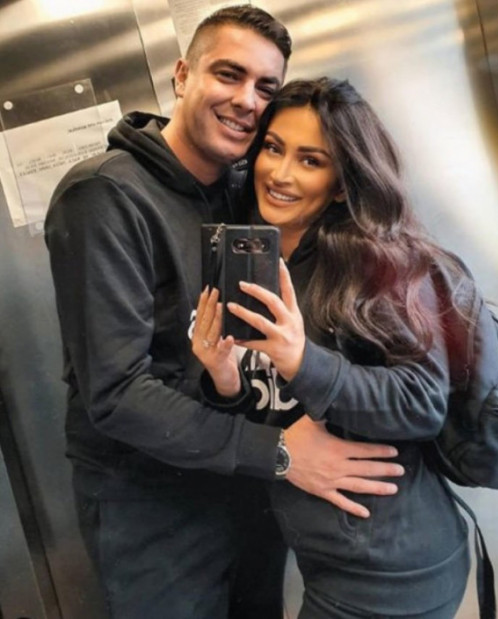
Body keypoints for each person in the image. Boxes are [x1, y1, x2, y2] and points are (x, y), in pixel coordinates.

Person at [44, 8, 403, 618]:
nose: (246, 100)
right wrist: (282, 452)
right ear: (183, 75)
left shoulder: (246, 187)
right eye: (228, 74)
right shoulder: (104, 195)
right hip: (154, 506)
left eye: (265, 87)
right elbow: (117, 391)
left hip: (246, 485)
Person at [192, 78, 471, 618]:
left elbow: (421, 403)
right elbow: (279, 406)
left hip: (393, 573)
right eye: (273, 148)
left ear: (341, 185)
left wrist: (302, 360)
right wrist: (225, 380)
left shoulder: (374, 266)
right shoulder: (263, 263)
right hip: (330, 561)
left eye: (310, 160)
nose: (281, 174)